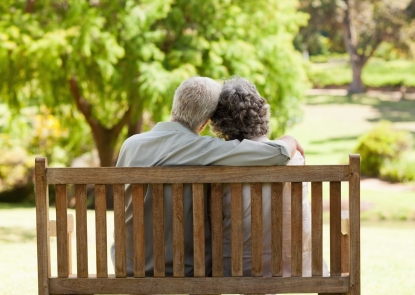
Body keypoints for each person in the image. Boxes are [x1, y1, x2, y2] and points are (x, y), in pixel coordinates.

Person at [111, 76, 304, 277]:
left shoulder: (130, 145)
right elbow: (278, 153)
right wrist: (290, 139)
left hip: (127, 267)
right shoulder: (201, 149)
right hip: (183, 270)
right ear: (204, 123)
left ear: (175, 106)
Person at [210, 77, 329, 277]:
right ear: (262, 112)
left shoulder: (220, 163)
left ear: (219, 123)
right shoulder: (295, 157)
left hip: (236, 267)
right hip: (299, 265)